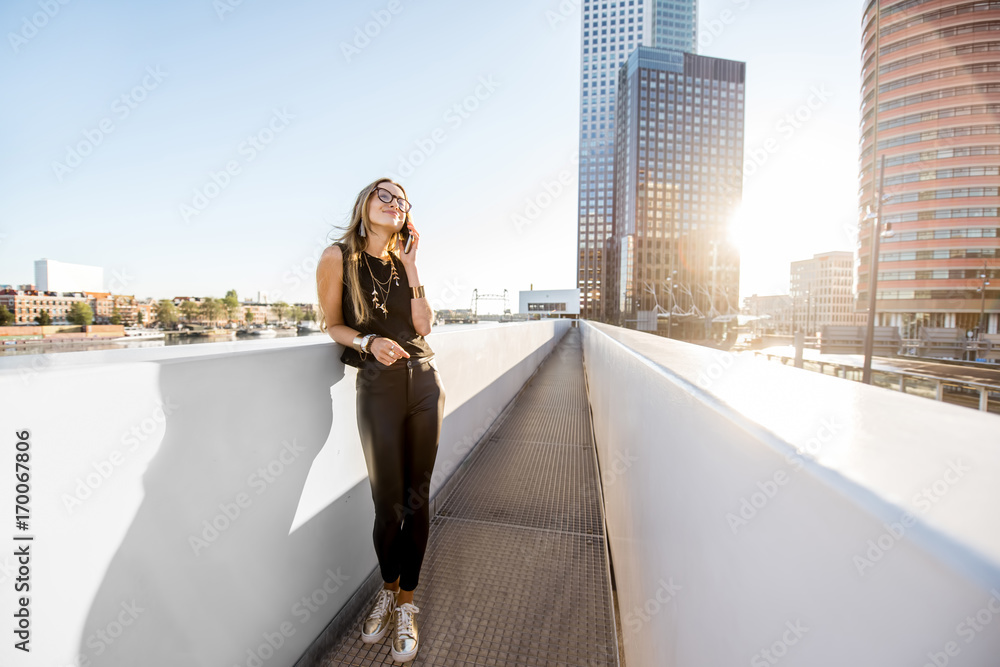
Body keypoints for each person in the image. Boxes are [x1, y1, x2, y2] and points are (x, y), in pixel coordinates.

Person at [315, 177, 445, 663]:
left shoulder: (400, 262)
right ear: (365, 203)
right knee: (387, 500)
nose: (394, 204)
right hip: (378, 387)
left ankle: (407, 603)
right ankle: (387, 590)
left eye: (402, 200)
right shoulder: (338, 258)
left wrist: (413, 267)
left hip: (425, 382)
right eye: (384, 195)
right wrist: (368, 342)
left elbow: (424, 326)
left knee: (417, 497)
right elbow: (332, 325)